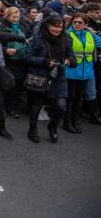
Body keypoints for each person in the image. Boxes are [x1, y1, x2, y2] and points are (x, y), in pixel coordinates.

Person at [25, 14, 75, 143]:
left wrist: (69, 60)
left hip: (59, 76)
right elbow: (28, 57)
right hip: (41, 76)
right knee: (37, 106)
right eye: (54, 26)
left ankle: (53, 126)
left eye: (60, 27)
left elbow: (73, 58)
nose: (57, 29)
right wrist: (46, 61)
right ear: (48, 25)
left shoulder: (67, 39)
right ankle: (32, 130)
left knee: (61, 105)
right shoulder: (37, 38)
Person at [63, 13, 101, 134]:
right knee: (70, 98)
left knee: (78, 98)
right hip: (71, 72)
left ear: (85, 24)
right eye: (75, 22)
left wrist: (94, 33)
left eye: (80, 22)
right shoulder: (67, 34)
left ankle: (75, 120)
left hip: (86, 73)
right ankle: (67, 122)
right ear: (72, 22)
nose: (77, 24)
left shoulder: (89, 34)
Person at [0, 7, 31, 118]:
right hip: (6, 59)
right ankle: (1, 108)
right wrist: (6, 51)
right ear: (7, 17)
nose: (16, 19)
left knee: (16, 86)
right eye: (13, 17)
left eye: (17, 17)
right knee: (5, 85)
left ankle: (12, 107)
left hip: (20, 60)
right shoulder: (1, 27)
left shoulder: (23, 26)